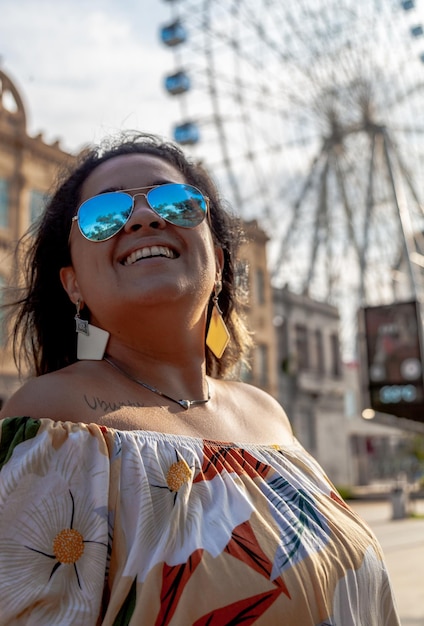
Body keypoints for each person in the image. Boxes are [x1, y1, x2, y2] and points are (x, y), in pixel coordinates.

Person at [0, 132, 400, 625]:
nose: (145, 218)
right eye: (105, 216)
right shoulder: (52, 418)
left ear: (219, 261)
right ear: (73, 283)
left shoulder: (267, 415)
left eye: (176, 203)